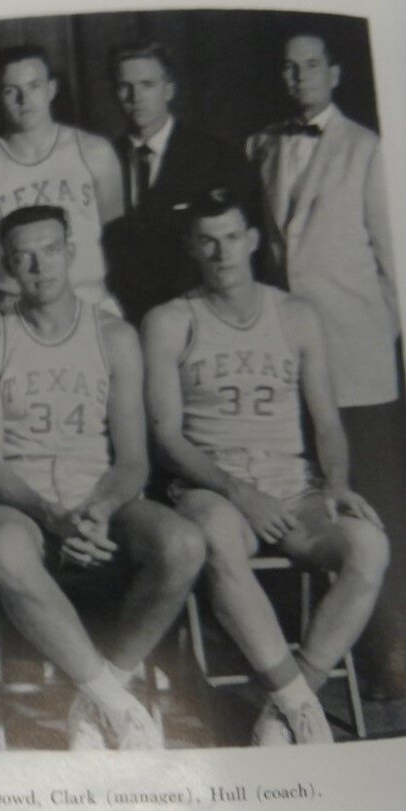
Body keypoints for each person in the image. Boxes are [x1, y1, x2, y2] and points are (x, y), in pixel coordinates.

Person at [142, 189, 389, 745]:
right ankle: (304, 708)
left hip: (294, 489)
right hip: (215, 488)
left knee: (369, 545)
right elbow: (165, 437)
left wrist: (339, 484)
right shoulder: (170, 321)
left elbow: (325, 421)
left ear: (252, 241)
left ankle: (288, 704)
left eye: (232, 237)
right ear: (192, 248)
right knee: (213, 534)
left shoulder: (296, 315)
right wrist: (240, 492)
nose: (222, 252)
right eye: (207, 241)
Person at [0, 205, 203, 750]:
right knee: (2, 549)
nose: (39, 266)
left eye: (50, 250)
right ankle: (117, 704)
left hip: (100, 498)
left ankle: (100, 690)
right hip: (22, 502)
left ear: (71, 253)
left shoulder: (114, 336)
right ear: (7, 265)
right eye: (23, 255)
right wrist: (52, 517)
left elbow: (133, 460)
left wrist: (96, 510)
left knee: (184, 543)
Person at [245, 33, 405, 694]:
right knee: (310, 506)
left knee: (376, 507)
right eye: (288, 64)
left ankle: (391, 657)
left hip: (358, 354)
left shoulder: (368, 149)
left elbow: (395, 264)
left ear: (334, 74)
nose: (299, 75)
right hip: (286, 357)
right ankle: (323, 657)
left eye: (311, 64)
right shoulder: (259, 145)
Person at [0, 45, 123, 317]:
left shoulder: (94, 152)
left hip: (89, 301)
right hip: (15, 311)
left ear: (52, 89)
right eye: (11, 90)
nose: (24, 99)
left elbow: (118, 240)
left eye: (34, 86)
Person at [103, 42, 257, 326]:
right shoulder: (101, 158)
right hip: (127, 321)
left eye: (147, 84)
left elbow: (244, 248)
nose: (135, 97)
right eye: (125, 86)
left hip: (201, 316)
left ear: (169, 89)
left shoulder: (214, 155)